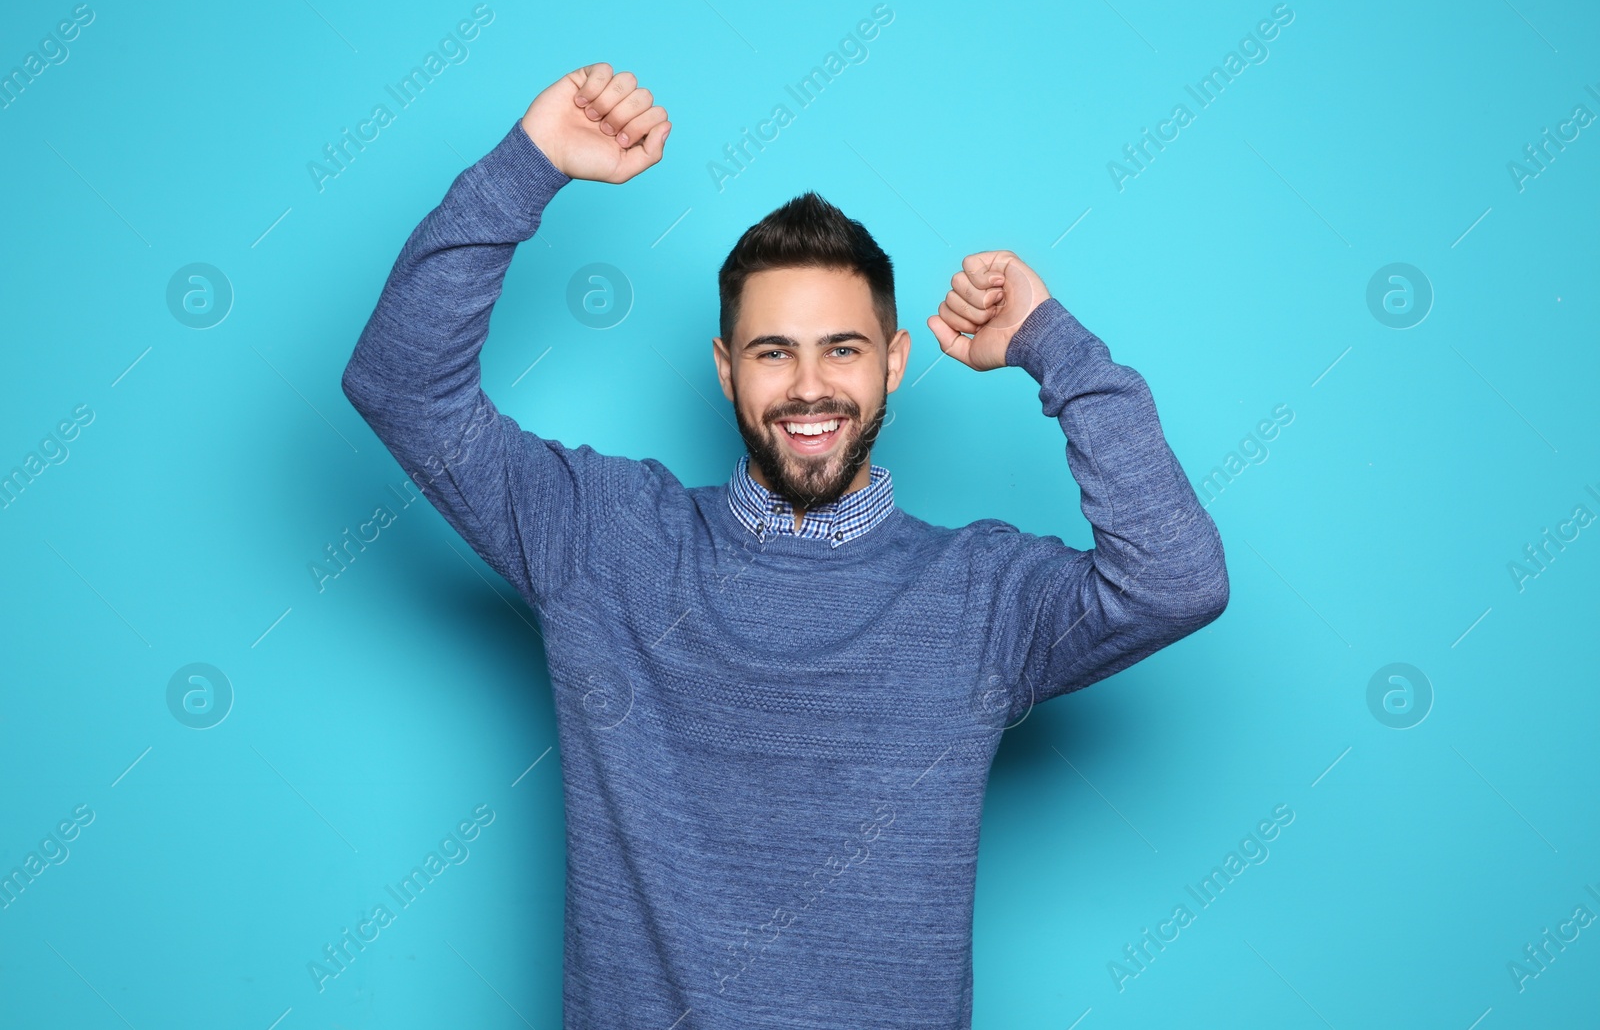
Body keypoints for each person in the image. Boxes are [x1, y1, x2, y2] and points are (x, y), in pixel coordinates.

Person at [342, 62, 1229, 1029]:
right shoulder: (600, 539)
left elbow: (1175, 579)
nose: (811, 388)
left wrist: (1055, 346)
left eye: (843, 348)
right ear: (725, 370)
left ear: (894, 362)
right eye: (774, 351)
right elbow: (400, 385)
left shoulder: (982, 596)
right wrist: (530, 164)